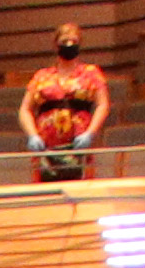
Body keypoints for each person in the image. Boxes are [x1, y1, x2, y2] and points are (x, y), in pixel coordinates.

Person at [18, 24, 108, 181]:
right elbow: (25, 109)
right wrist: (32, 135)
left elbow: (103, 104)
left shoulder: (91, 73)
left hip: (78, 147)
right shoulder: (42, 76)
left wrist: (90, 132)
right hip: (47, 149)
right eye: (65, 41)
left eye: (74, 41)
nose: (69, 45)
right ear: (56, 45)